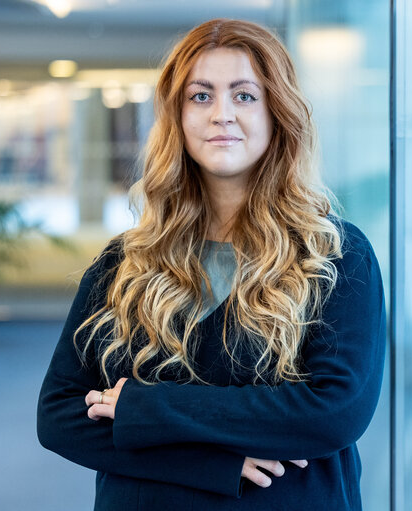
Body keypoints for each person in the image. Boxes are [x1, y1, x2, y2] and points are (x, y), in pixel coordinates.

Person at [37, 18, 386, 511]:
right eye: (201, 96)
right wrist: (209, 464)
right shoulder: (125, 262)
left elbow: (332, 413)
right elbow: (59, 416)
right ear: (177, 117)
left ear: (277, 113)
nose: (221, 114)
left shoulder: (335, 256)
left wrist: (147, 407)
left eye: (244, 95)